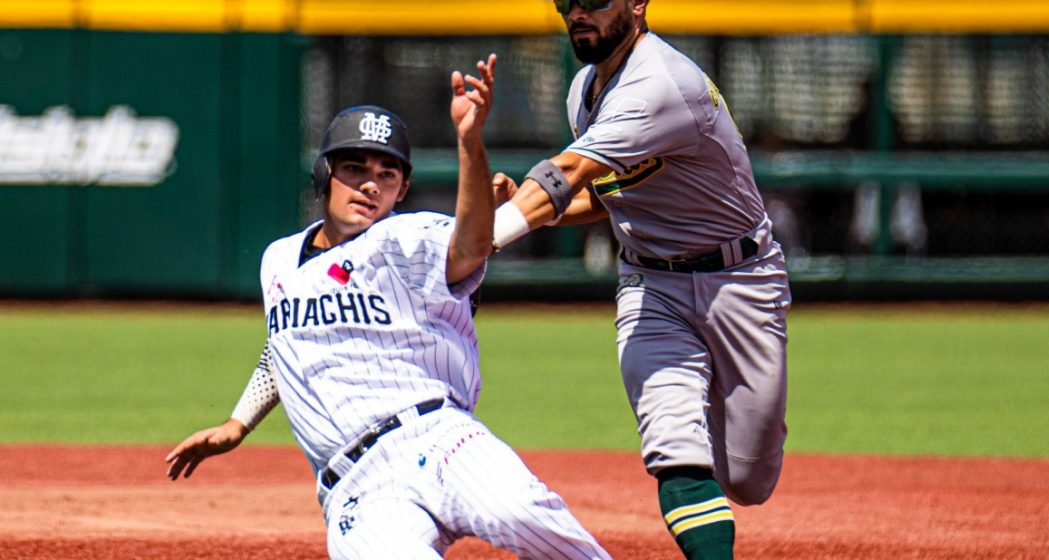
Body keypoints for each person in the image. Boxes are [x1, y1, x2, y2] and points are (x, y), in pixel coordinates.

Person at [165, 55, 610, 560]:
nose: (370, 183)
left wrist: (469, 141)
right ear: (324, 174)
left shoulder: (409, 237)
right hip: (357, 486)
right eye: (354, 168)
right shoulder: (277, 261)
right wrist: (238, 422)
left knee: (525, 516)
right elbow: (284, 347)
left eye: (387, 173)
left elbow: (471, 244)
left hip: (442, 440)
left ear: (402, 189)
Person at [490, 1, 791, 558]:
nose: (578, 12)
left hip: (742, 279)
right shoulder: (584, 88)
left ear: (636, 4)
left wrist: (487, 234)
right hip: (650, 284)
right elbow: (609, 194)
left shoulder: (662, 83)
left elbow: (572, 170)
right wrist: (530, 208)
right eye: (567, 2)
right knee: (673, 444)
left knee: (749, 480)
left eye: (594, 0)